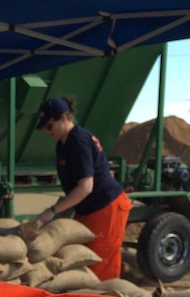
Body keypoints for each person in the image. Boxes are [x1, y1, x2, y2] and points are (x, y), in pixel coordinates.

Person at [33, 97, 132, 281]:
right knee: (82, 261)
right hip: (88, 209)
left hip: (106, 207)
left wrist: (52, 211)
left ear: (63, 118)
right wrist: (57, 217)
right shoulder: (63, 145)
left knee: (100, 266)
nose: (48, 132)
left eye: (49, 126)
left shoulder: (79, 141)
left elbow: (86, 186)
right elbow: (73, 189)